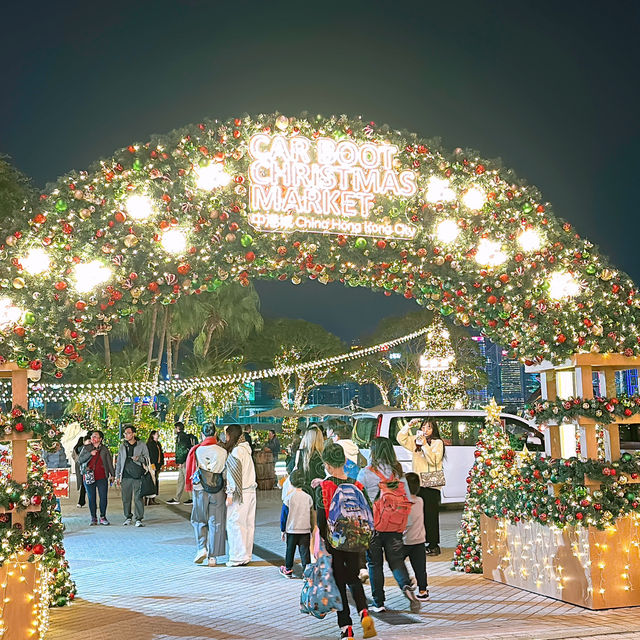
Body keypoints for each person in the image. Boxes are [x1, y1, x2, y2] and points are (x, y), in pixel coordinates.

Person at [317, 442, 376, 640]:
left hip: (334, 543)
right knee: (354, 578)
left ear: (327, 464)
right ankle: (364, 613)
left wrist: (323, 544)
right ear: (344, 461)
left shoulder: (324, 487)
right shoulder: (357, 484)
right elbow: (368, 511)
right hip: (356, 540)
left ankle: (347, 628)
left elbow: (320, 521)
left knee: (340, 583)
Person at [357, 437, 420, 613]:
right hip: (394, 526)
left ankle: (379, 603)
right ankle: (406, 587)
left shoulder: (366, 473)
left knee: (375, 564)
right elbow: (407, 499)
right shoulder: (398, 473)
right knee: (396, 561)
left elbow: (359, 500)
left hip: (373, 526)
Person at [397, 419, 445, 556]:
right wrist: (409, 425)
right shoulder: (416, 441)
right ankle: (422, 542)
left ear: (433, 429)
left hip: (431, 484)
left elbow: (434, 460)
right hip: (419, 483)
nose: (425, 430)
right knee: (420, 514)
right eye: (423, 427)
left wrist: (425, 445)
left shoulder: (437, 443)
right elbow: (400, 438)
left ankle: (434, 545)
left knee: (431, 516)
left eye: (429, 428)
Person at [185, 424, 227, 567]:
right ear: (215, 434)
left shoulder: (196, 451)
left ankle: (201, 548)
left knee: (199, 519)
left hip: (200, 489)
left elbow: (191, 471)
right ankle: (213, 557)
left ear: (202, 434)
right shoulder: (222, 451)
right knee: (217, 522)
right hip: (218, 489)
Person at [224, 424, 257, 566]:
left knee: (235, 523)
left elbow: (233, 475)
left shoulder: (237, 452)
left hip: (240, 493)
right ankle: (246, 555)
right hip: (251, 491)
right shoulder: (247, 450)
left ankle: (237, 556)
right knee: (248, 524)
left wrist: (229, 494)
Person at [279, 469, 312, 578]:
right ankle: (306, 571)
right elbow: (311, 514)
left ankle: (288, 569)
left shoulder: (288, 498)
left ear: (291, 482)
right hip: (305, 529)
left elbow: (284, 516)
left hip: (292, 529)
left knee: (290, 550)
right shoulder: (308, 497)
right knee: (305, 552)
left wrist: (283, 530)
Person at [77, 430, 115, 526]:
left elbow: (109, 462)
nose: (93, 438)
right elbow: (80, 460)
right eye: (92, 436)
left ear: (100, 439)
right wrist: (90, 454)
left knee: (103, 497)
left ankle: (103, 516)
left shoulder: (104, 449)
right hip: (89, 476)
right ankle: (93, 518)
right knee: (91, 497)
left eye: (95, 437)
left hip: (102, 476)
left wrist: (113, 474)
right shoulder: (86, 448)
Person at [115, 425, 150, 527]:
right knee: (126, 498)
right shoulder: (122, 446)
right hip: (125, 475)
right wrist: (117, 475)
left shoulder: (141, 445)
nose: (126, 435)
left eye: (128, 433)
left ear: (133, 434)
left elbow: (147, 458)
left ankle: (139, 518)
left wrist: (138, 458)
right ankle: (128, 517)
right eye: (125, 433)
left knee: (138, 497)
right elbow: (119, 463)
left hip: (138, 475)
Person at [403, 472, 430, 601]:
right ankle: (423, 590)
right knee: (420, 568)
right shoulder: (420, 501)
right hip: (419, 540)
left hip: (404, 541)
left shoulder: (403, 503)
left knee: (397, 563)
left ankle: (405, 581)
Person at [294, 426, 325, 507]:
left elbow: (296, 471)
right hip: (321, 491)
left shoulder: (301, 454)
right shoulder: (323, 455)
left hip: (304, 490)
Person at [166, 422, 193, 505]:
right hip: (184, 460)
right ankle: (177, 498)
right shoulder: (182, 436)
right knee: (181, 480)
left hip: (184, 461)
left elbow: (181, 450)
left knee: (186, 479)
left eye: (175, 428)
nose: (174, 430)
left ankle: (192, 498)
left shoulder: (181, 437)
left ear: (177, 428)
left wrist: (181, 461)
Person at [146, 430, 164, 505]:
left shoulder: (158, 444)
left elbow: (161, 454)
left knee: (156, 481)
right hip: (152, 465)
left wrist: (162, 464)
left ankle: (153, 498)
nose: (158, 435)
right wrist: (152, 464)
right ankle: (148, 499)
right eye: (157, 434)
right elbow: (150, 455)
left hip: (158, 464)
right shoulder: (150, 444)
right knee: (151, 482)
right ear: (152, 435)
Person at [72, 435, 90, 508]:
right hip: (86, 467)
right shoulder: (84, 449)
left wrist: (77, 460)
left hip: (78, 466)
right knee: (85, 484)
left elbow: (73, 456)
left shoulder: (76, 448)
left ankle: (81, 501)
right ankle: (83, 501)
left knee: (82, 482)